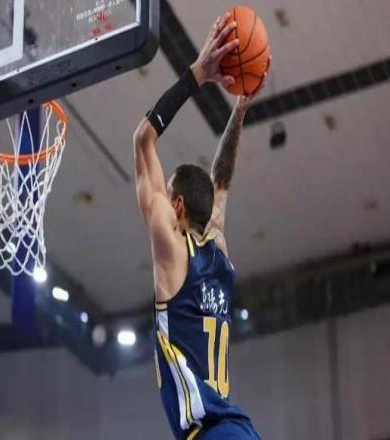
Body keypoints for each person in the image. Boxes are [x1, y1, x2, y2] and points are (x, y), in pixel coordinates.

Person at [133, 14, 269, 440]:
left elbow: (142, 140)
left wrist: (198, 73)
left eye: (167, 190)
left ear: (176, 207)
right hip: (239, 430)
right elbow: (222, 180)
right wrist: (240, 108)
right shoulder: (218, 252)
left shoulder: (173, 254)